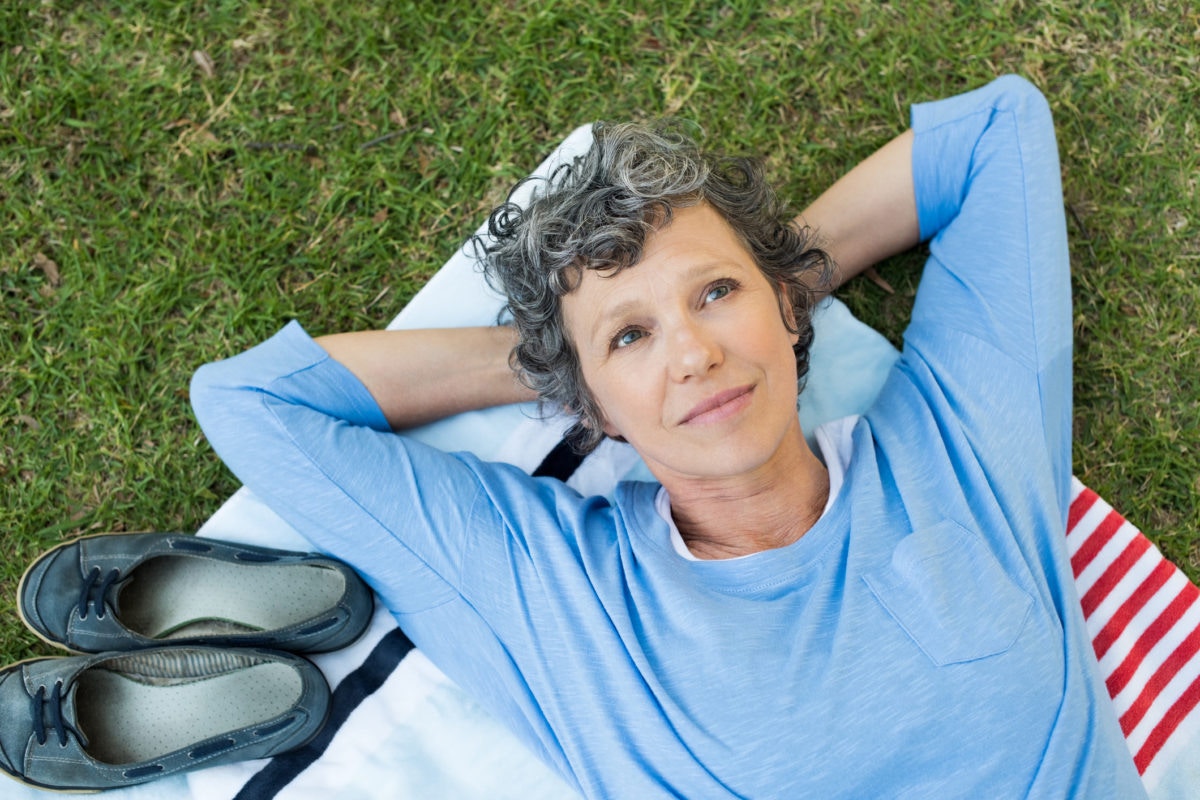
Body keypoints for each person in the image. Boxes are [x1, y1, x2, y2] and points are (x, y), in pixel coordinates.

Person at [191, 76, 1147, 798]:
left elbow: (994, 130)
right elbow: (253, 401)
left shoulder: (960, 449)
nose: (690, 354)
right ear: (593, 405)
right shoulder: (563, 597)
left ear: (785, 305)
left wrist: (774, 284)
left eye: (715, 294)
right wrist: (560, 361)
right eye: (633, 336)